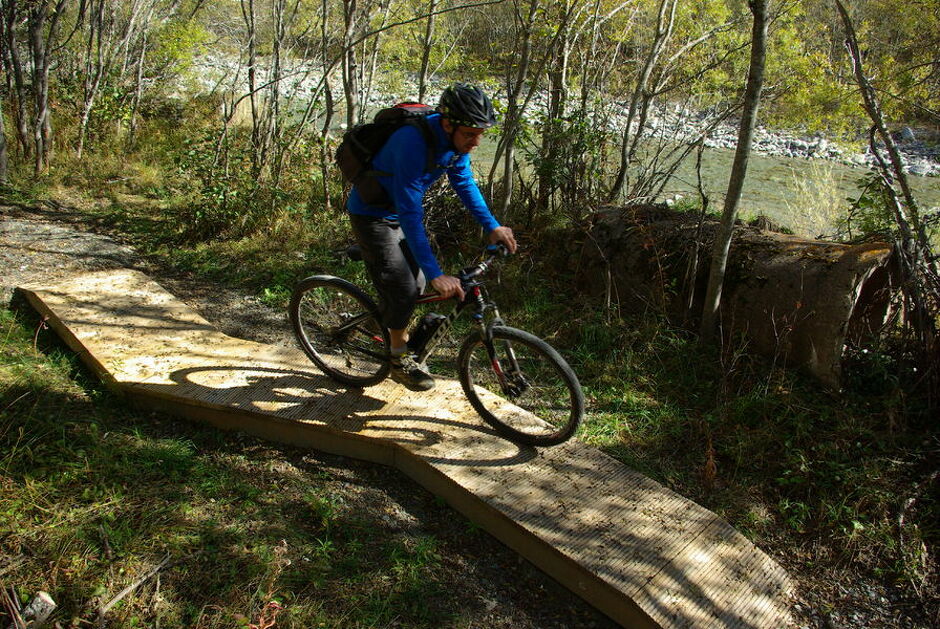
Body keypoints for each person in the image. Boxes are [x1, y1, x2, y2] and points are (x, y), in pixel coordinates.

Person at [347, 83, 517, 391]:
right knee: (404, 288)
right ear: (447, 123)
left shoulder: (455, 143)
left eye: (481, 133)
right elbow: (411, 214)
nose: (476, 141)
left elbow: (463, 182)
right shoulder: (411, 142)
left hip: (398, 213)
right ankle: (397, 358)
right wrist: (438, 272)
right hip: (372, 216)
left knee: (419, 284)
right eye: (470, 134)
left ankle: (381, 324)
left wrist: (492, 225)